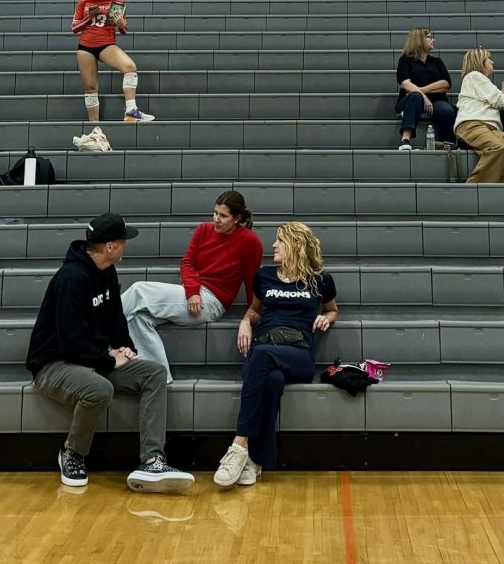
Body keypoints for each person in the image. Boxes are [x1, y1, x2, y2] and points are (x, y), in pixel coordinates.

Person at [26, 212, 193, 492]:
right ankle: (72, 453)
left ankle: (152, 461)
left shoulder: (108, 272)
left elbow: (116, 322)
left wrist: (127, 350)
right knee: (99, 388)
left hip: (90, 360)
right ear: (110, 247)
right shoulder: (71, 279)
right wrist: (107, 359)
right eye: (123, 241)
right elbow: (70, 343)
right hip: (54, 365)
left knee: (154, 373)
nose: (127, 245)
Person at [213, 221, 338, 489]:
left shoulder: (320, 280)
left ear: (296, 244)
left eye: (279, 241)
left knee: (259, 356)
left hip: (299, 354)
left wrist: (327, 318)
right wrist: (245, 321)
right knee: (271, 380)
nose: (273, 245)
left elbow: (332, 309)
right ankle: (256, 461)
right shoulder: (265, 276)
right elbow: (254, 310)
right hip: (266, 347)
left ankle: (239, 445)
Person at [121, 190, 264, 381]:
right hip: (193, 294)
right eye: (215, 213)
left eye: (223, 215)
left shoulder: (250, 241)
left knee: (139, 290)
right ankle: (161, 379)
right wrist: (192, 291)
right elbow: (187, 263)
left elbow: (252, 282)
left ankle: (95, 325)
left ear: (237, 218)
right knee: (138, 318)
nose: (216, 219)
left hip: (213, 302)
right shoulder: (203, 230)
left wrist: (251, 316)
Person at [71, 0, 154, 124]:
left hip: (106, 44)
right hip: (85, 46)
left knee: (129, 67)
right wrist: (89, 18)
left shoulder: (115, 1)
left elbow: (123, 30)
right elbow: (74, 28)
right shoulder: (83, 2)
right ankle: (94, 128)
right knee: (90, 88)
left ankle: (131, 111)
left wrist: (121, 24)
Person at [454, 48, 504, 183]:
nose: (492, 62)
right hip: (472, 125)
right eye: (489, 59)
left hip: (488, 128)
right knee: (497, 147)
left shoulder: (478, 80)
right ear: (480, 62)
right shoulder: (474, 76)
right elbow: (500, 101)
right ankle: (472, 188)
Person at [395, 27, 455, 149]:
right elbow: (405, 84)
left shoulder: (436, 61)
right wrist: (422, 96)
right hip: (411, 100)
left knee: (447, 110)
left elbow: (446, 83)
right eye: (430, 37)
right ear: (419, 40)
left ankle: (447, 143)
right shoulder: (406, 60)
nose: (433, 40)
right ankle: (405, 140)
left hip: (436, 101)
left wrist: (422, 91)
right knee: (415, 96)